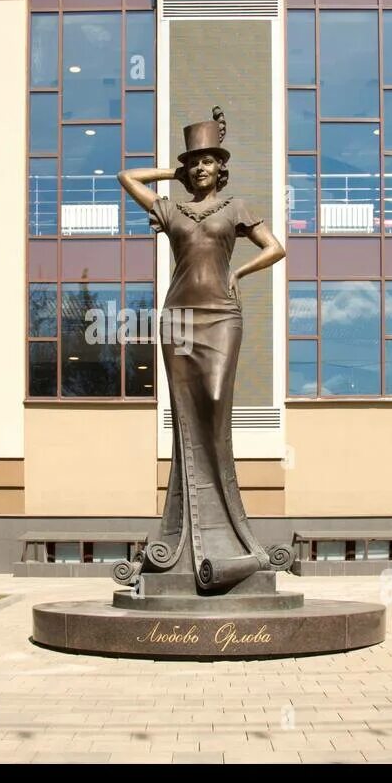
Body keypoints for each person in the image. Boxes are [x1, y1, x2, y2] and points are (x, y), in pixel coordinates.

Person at [118, 107, 285, 591]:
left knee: (215, 402)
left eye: (207, 162)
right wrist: (171, 170)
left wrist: (238, 272)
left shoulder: (235, 209)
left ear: (221, 168)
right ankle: (190, 535)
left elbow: (274, 248)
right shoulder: (170, 209)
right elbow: (125, 175)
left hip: (222, 316)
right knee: (186, 415)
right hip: (179, 319)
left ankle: (225, 527)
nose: (199, 170)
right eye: (193, 164)